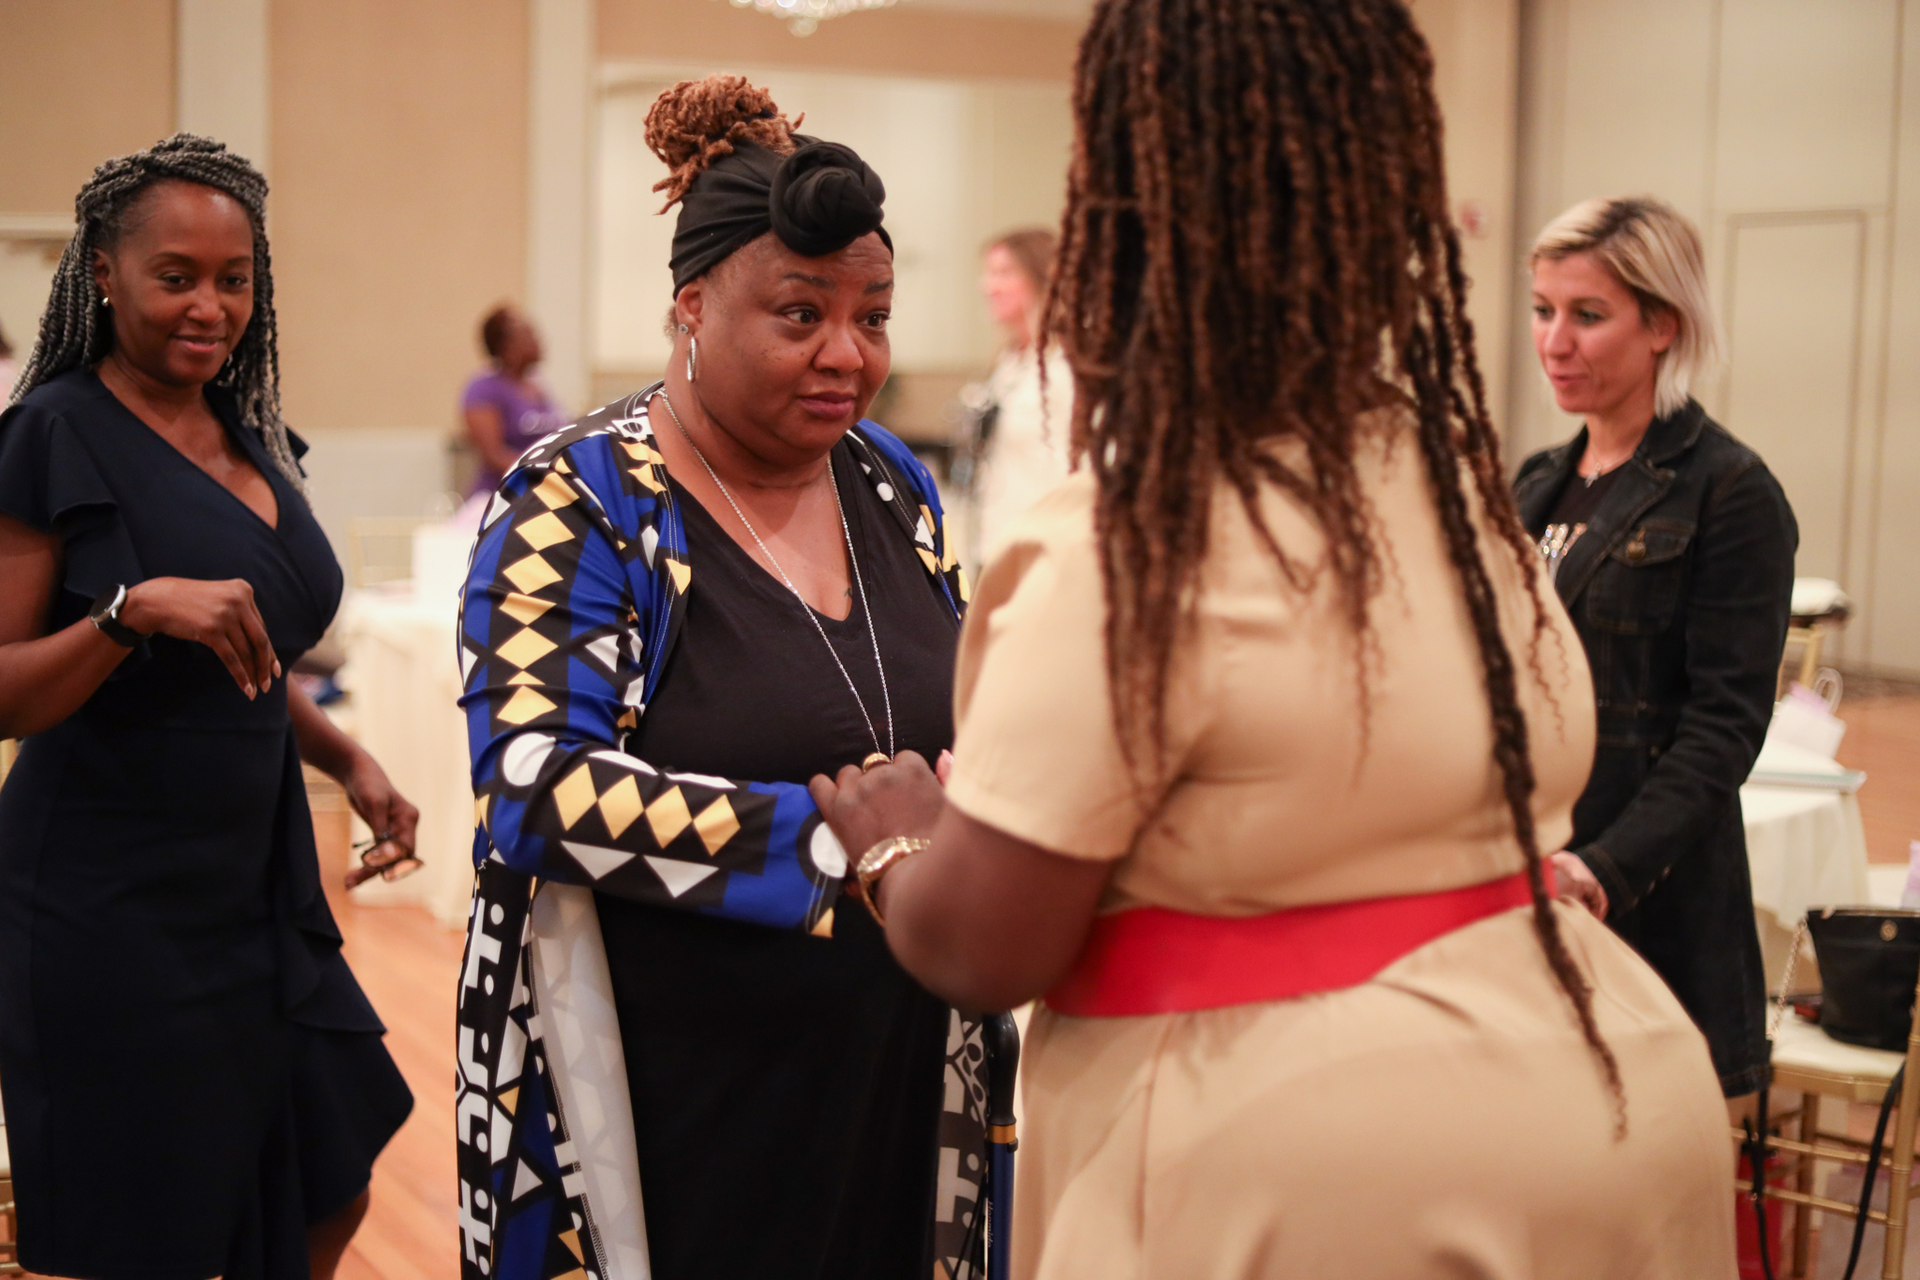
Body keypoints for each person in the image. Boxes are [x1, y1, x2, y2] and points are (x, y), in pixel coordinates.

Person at [806, 2, 1739, 1277]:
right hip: (1614, 1092)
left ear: (1124, 214)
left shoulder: (1132, 546)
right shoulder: (1460, 487)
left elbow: (987, 945)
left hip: (1313, 1171)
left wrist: (898, 840)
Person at [454, 76, 987, 1280]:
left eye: (874, 316)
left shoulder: (890, 480)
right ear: (691, 305)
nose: (846, 353)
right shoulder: (580, 499)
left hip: (898, 1048)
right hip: (673, 1082)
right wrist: (836, 837)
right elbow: (531, 785)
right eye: (798, 314)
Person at [0, 134, 416, 1280]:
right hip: (104, 900)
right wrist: (127, 612)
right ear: (102, 271)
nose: (210, 305)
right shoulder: (53, 430)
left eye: (234, 279)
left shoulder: (254, 434)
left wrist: (346, 757)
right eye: (175, 275)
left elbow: (248, 657)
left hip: (252, 885)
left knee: (329, 1163)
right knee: (150, 1229)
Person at [1517, 196, 1796, 1101]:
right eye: (1543, 310)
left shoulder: (1729, 491)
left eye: (1588, 316)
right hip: (1522, 890)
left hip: (1645, 899)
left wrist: (1603, 866)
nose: (1555, 341)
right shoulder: (1532, 485)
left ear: (1663, 326)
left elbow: (1722, 729)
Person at [962, 229, 1073, 564]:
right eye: (988, 273)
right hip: (994, 544)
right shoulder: (1008, 363)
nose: (988, 286)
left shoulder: (1066, 369)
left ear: (1043, 277)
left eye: (1004, 273)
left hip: (1045, 555)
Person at [460, 304, 568, 498]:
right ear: (506, 347)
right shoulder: (483, 389)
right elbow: (493, 454)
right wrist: (543, 471)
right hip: (500, 498)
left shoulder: (539, 386)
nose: (538, 340)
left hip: (540, 493)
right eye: (528, 334)